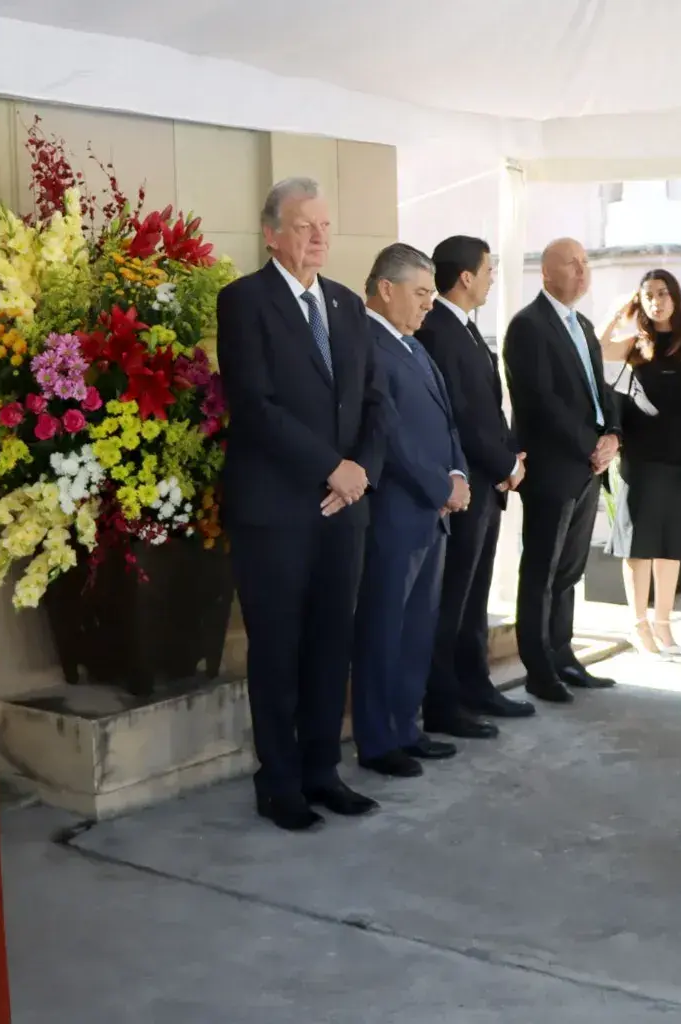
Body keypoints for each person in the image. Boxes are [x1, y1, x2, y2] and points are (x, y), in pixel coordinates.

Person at [217, 176, 391, 831]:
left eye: (324, 226)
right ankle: (280, 781)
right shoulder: (244, 302)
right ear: (271, 234)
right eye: (302, 226)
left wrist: (361, 474)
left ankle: (323, 771)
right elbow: (256, 406)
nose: (317, 237)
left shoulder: (347, 306)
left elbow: (377, 403)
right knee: (278, 648)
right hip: (277, 511)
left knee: (329, 642)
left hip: (344, 508)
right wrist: (332, 467)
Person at [351, 244, 468, 779]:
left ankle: (405, 726)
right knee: (384, 629)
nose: (429, 305)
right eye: (420, 294)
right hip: (397, 511)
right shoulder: (367, 342)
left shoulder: (415, 347)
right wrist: (437, 485)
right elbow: (388, 432)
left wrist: (459, 475)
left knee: (416, 627)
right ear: (386, 289)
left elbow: (446, 424)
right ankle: (377, 740)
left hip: (432, 510)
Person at [417, 236, 534, 737]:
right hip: (465, 481)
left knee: (475, 594)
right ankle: (443, 703)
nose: (491, 279)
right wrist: (504, 460)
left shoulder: (464, 328)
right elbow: (460, 415)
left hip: (488, 481)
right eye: (488, 270)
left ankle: (475, 684)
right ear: (465, 276)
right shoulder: (439, 329)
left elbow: (489, 407)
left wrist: (508, 459)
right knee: (453, 598)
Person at [502, 238, 622, 703]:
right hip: (553, 466)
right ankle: (538, 668)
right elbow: (539, 400)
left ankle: (564, 654)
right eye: (572, 264)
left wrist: (612, 434)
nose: (582, 271)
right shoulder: (528, 326)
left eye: (586, 263)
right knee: (542, 571)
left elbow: (600, 388)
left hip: (589, 465)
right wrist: (588, 444)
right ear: (546, 273)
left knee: (570, 571)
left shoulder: (584, 325)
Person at [601, 270, 681, 656]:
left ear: (676, 298)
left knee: (672, 544)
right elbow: (596, 349)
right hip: (640, 457)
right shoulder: (636, 343)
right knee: (640, 542)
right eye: (648, 295)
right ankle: (639, 624)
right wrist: (620, 313)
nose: (657, 300)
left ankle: (664, 625)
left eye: (663, 293)